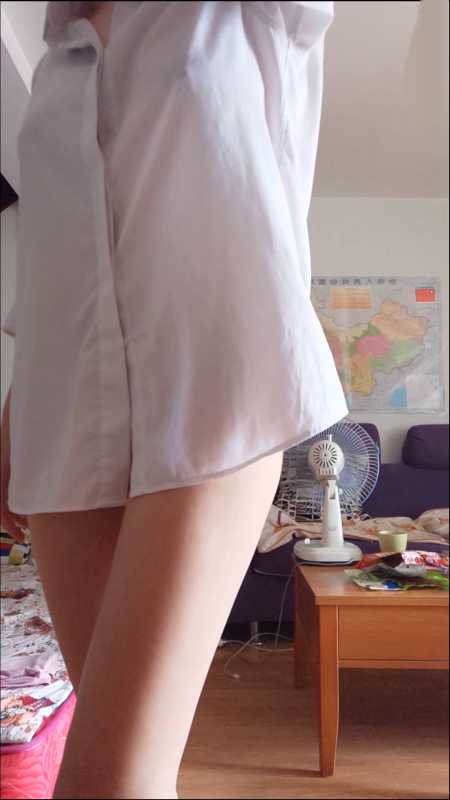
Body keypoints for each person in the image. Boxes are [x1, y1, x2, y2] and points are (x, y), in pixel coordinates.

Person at [0, 2, 347, 797]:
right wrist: (18, 405)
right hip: (64, 412)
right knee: (132, 769)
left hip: (216, 393)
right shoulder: (53, 54)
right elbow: (56, 253)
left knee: (107, 780)